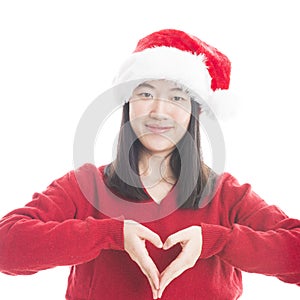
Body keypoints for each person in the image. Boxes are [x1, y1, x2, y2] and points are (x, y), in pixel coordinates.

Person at [0, 29, 299, 300]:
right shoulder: (86, 186)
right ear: (128, 103)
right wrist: (110, 234)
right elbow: (6, 248)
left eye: (177, 98)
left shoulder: (227, 195)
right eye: (146, 94)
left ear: (194, 113)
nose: (159, 111)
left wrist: (218, 241)